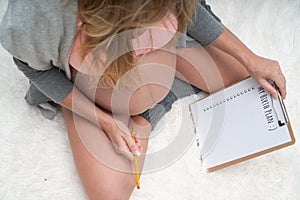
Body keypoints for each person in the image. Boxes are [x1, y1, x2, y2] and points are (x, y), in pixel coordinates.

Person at [0, 0, 286, 199]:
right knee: (109, 193)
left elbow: (193, 11)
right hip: (95, 95)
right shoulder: (37, 16)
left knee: (250, 84)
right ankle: (120, 113)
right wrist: (105, 121)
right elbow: (34, 70)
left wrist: (250, 58)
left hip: (171, 57)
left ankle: (155, 102)